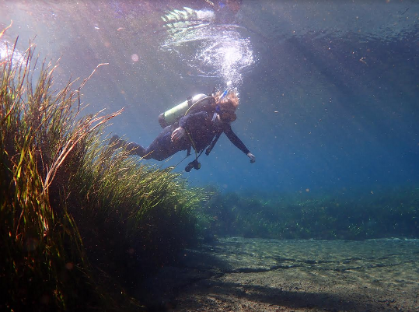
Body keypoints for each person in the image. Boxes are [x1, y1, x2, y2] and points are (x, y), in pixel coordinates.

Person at [110, 90, 256, 172]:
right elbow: (186, 118)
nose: (226, 119)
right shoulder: (205, 115)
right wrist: (181, 129)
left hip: (180, 143)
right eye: (225, 114)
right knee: (147, 154)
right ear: (218, 109)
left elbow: (234, 139)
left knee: (156, 157)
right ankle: (117, 142)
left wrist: (247, 152)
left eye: (231, 117)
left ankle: (119, 146)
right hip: (173, 133)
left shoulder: (223, 126)